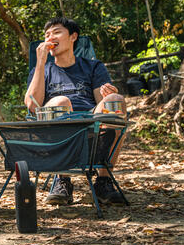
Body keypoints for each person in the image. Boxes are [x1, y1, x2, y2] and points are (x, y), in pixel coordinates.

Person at [24, 17, 126, 206]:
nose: (50, 37)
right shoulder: (43, 69)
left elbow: (101, 102)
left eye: (56, 32)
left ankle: (103, 181)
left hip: (90, 124)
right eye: (46, 35)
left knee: (115, 101)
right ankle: (62, 180)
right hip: (55, 130)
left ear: (73, 37)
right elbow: (32, 105)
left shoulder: (93, 66)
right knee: (62, 101)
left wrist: (108, 95)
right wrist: (39, 63)